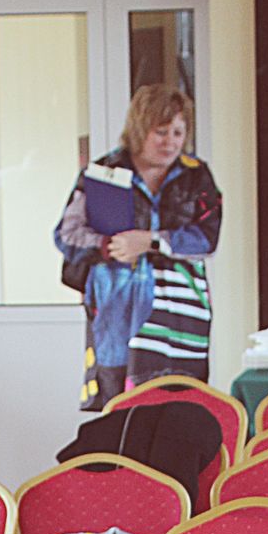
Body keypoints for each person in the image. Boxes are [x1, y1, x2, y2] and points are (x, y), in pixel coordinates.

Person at [53, 83, 223, 410]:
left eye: (178, 132)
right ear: (140, 129)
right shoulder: (102, 172)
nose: (170, 141)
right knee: (118, 399)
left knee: (180, 399)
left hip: (181, 306)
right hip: (118, 302)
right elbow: (67, 234)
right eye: (161, 132)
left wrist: (150, 241)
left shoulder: (197, 176)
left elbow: (207, 238)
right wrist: (109, 245)